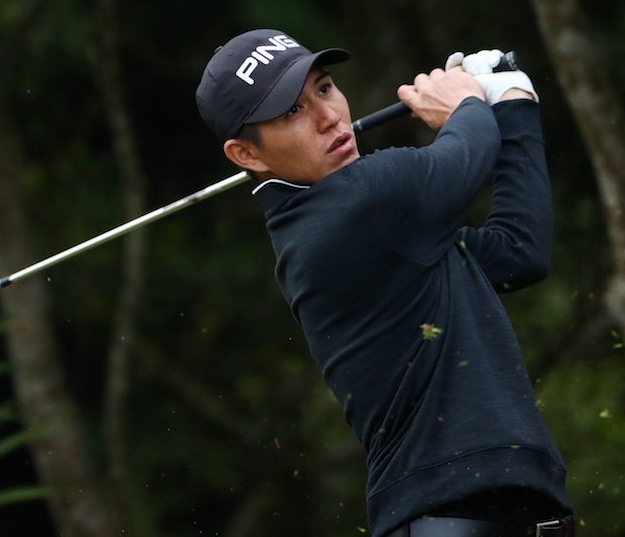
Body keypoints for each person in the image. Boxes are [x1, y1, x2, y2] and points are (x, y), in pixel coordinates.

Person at [195, 28, 575, 537]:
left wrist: (514, 100)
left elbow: (519, 251)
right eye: (293, 111)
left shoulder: (379, 232)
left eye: (324, 88)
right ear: (247, 155)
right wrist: (467, 101)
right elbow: (465, 153)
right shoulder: (358, 207)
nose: (329, 116)